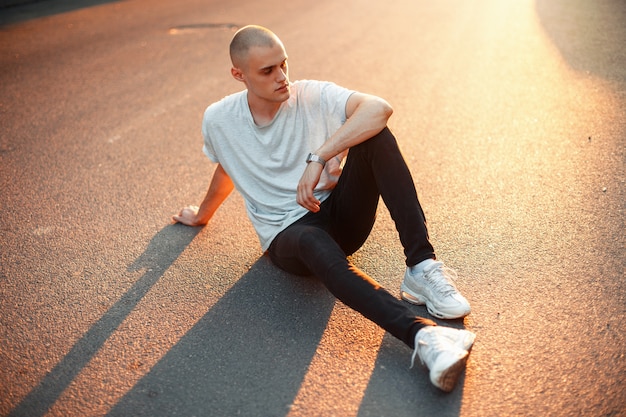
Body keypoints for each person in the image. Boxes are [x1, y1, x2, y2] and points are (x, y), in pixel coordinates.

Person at [174, 25, 475, 392]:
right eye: (267, 71)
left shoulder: (311, 95)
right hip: (289, 238)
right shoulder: (219, 119)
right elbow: (228, 166)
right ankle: (426, 339)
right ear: (239, 75)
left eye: (283, 64)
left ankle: (421, 267)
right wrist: (202, 215)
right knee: (312, 242)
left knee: (375, 135)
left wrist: (319, 157)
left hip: (339, 214)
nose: (282, 77)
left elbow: (379, 109)